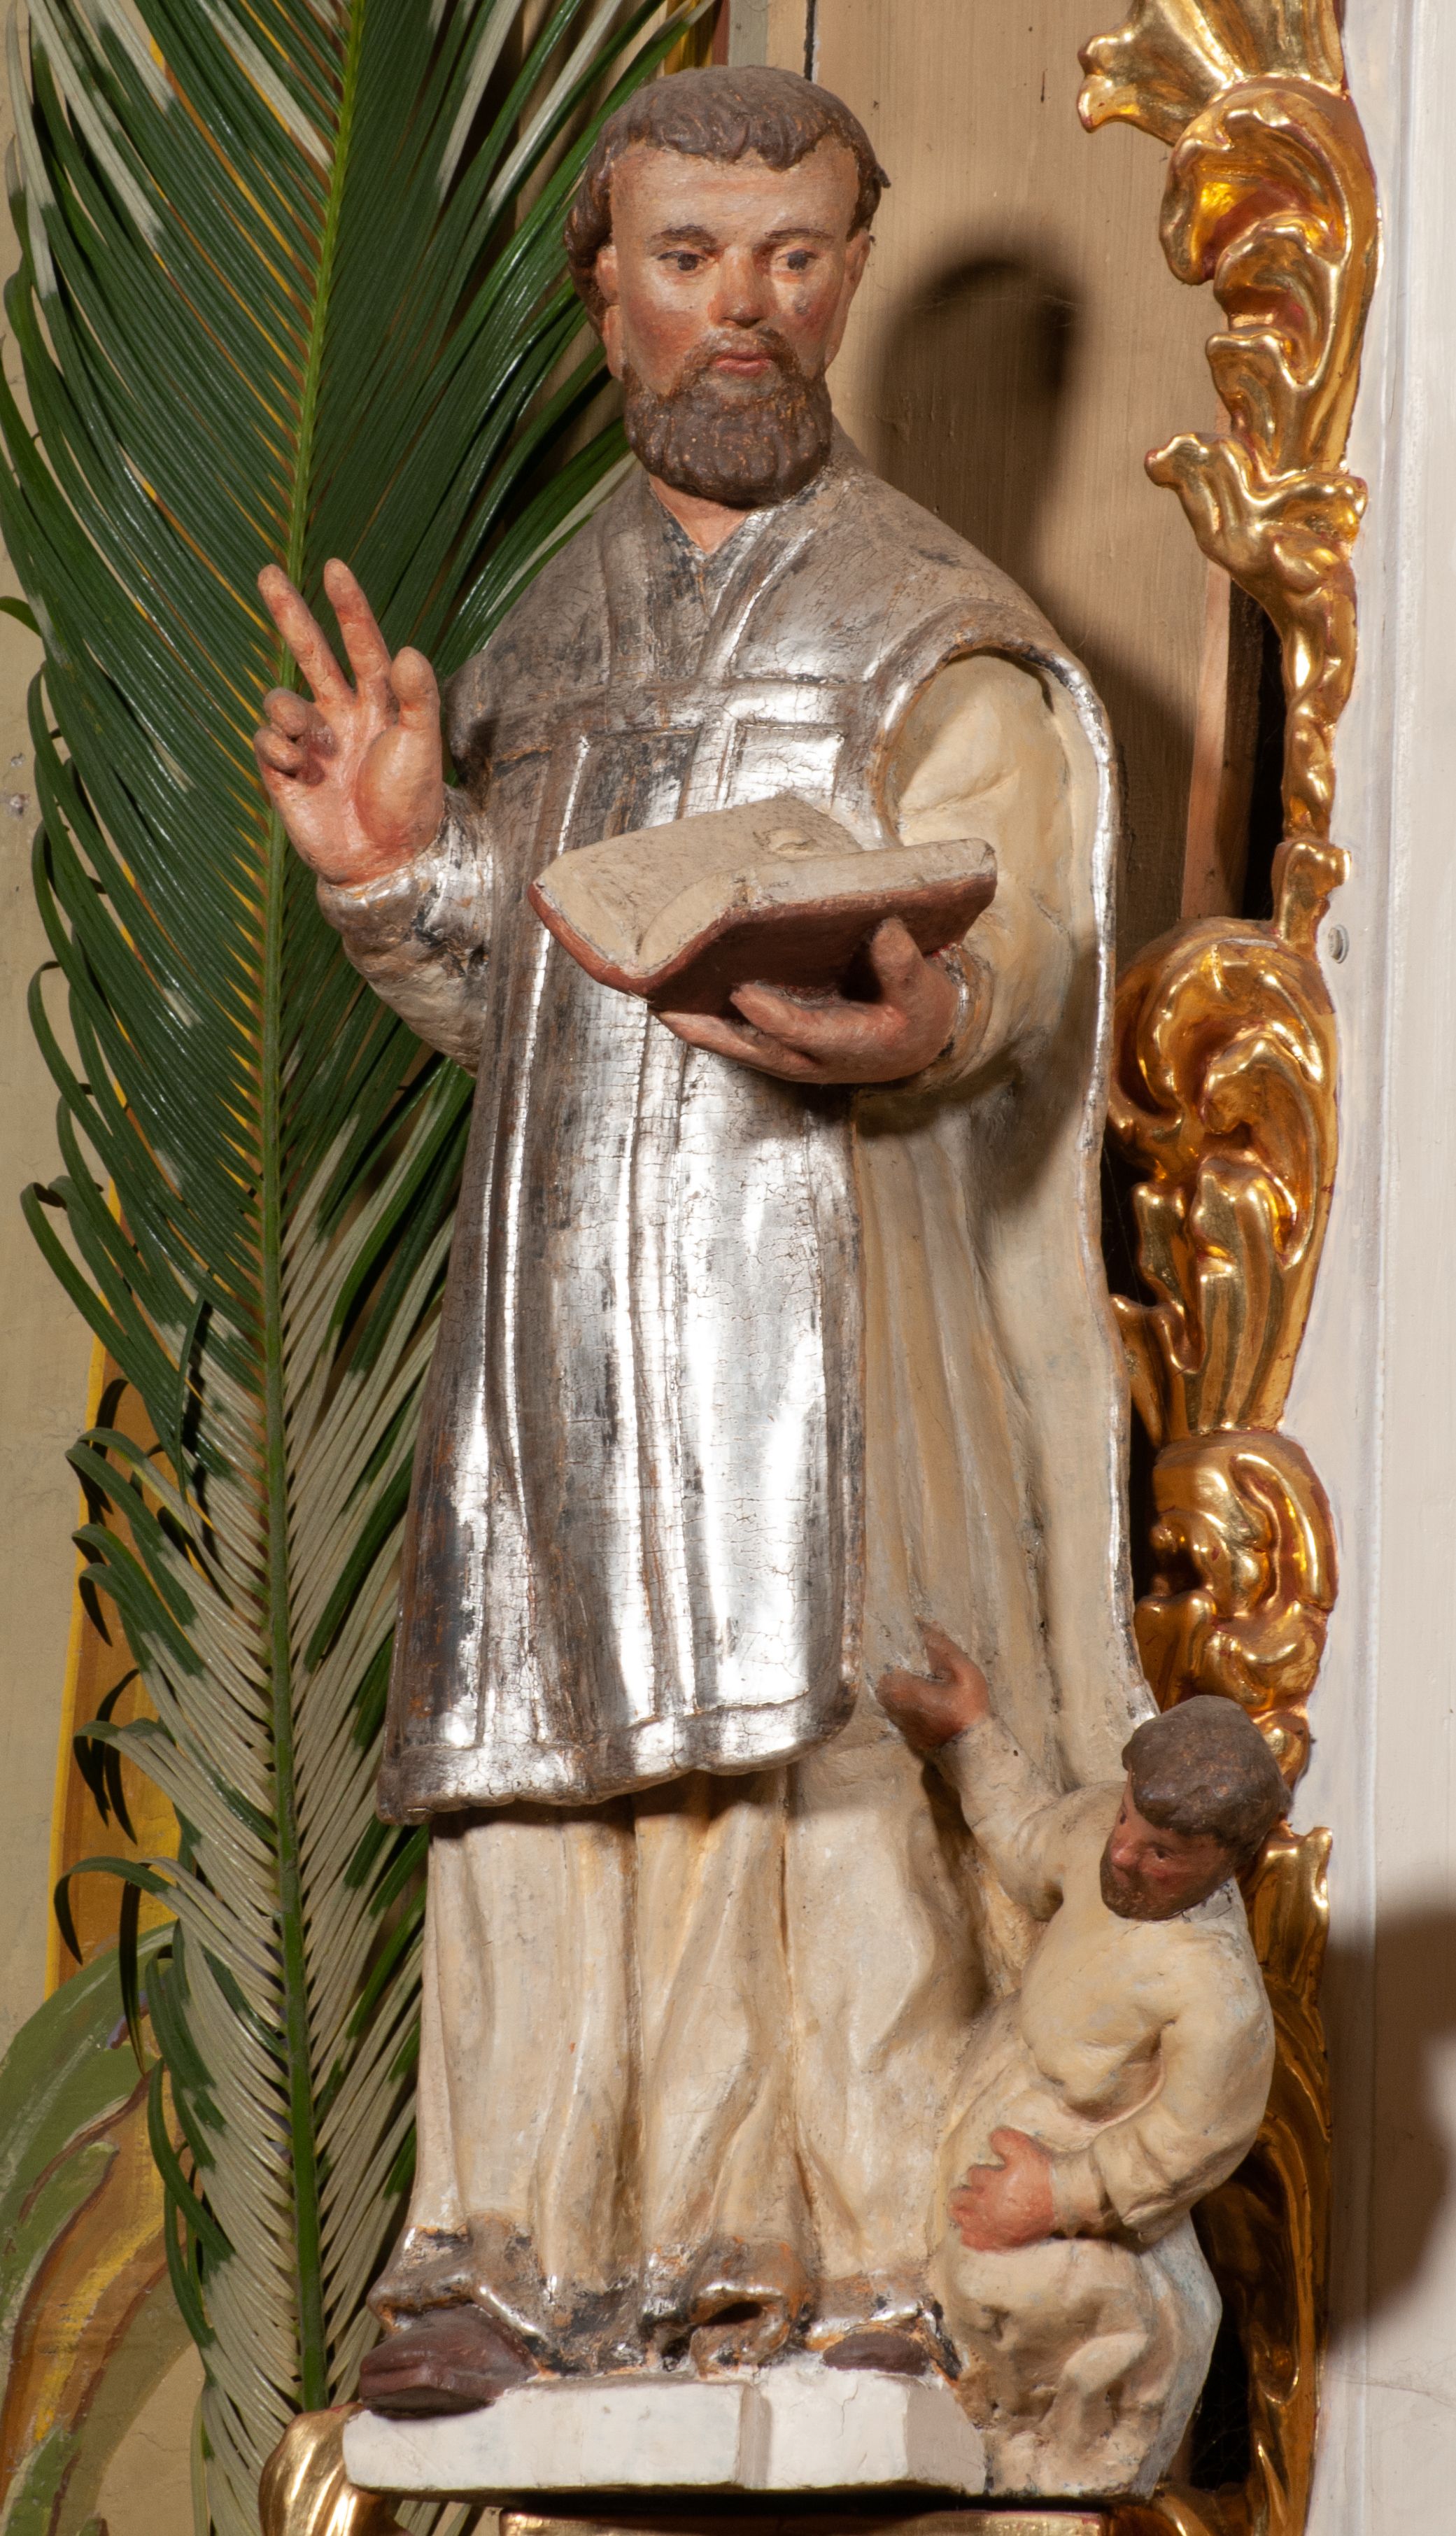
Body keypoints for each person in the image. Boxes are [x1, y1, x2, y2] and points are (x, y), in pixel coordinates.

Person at [253, 64, 1145, 2418]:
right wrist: (397, 872)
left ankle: (830, 2239)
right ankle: (509, 2250)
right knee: (543, 1756)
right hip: (562, 1312)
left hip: (813, 1301)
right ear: (606, 289)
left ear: (845, 278)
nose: (740, 310)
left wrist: (945, 1003)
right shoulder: (547, 635)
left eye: (791, 257)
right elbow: (514, 1001)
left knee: (812, 1754)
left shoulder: (922, 624)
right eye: (685, 259)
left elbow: (1022, 928)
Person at [878, 1633, 1284, 2495]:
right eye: (1128, 1818)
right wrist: (969, 1736)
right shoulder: (1104, 1828)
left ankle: (1030, 2429)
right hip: (992, 2079)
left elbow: (1187, 2141)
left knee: (1016, 2287)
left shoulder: (1212, 1994)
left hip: (1073, 2157)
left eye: (1162, 1851)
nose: (1123, 1852)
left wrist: (1058, 2195)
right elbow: (1031, 1842)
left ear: (1228, 1859)